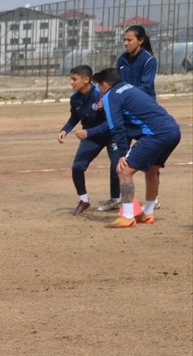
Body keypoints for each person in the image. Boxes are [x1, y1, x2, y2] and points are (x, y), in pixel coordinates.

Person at [91, 67, 181, 229]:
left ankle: (127, 216)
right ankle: (148, 213)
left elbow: (116, 126)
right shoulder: (130, 87)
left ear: (104, 85)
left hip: (156, 134)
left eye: (99, 87)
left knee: (123, 170)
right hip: (173, 130)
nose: (99, 91)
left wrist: (122, 154)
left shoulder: (110, 96)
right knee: (151, 171)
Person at [101, 25, 158, 211]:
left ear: (140, 40)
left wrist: (125, 97)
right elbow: (116, 84)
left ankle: (153, 199)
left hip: (143, 114)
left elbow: (146, 86)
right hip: (125, 114)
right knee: (118, 157)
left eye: (129, 40)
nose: (126, 43)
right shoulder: (121, 60)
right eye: (124, 40)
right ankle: (116, 197)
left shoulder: (149, 60)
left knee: (151, 160)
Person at [57, 65, 118, 215]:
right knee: (77, 167)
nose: (71, 82)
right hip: (91, 136)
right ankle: (84, 200)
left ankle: (116, 199)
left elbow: (111, 122)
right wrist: (65, 130)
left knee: (117, 167)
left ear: (86, 79)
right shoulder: (75, 98)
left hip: (111, 135)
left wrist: (89, 132)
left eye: (74, 79)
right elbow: (74, 117)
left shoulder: (101, 95)